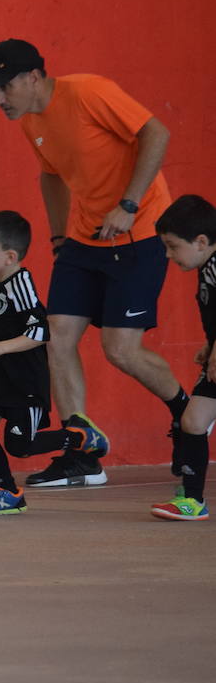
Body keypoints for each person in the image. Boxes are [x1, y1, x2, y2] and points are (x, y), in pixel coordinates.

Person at [0, 38, 185, 488]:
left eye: (4, 87)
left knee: (119, 349)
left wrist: (128, 204)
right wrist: (57, 236)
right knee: (58, 338)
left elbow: (156, 133)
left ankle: (189, 413)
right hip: (84, 240)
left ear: (33, 78)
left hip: (139, 229)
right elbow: (51, 174)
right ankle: (82, 454)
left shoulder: (89, 92)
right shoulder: (32, 122)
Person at [0, 211, 108, 515]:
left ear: (9, 256)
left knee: (19, 446)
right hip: (2, 375)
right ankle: (8, 492)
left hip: (27, 380)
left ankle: (79, 436)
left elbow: (40, 332)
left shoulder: (21, 285)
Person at [153, 194, 216, 521]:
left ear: (201, 241)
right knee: (192, 421)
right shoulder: (207, 267)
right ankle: (192, 500)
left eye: (173, 246)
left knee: (194, 420)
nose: (168, 254)